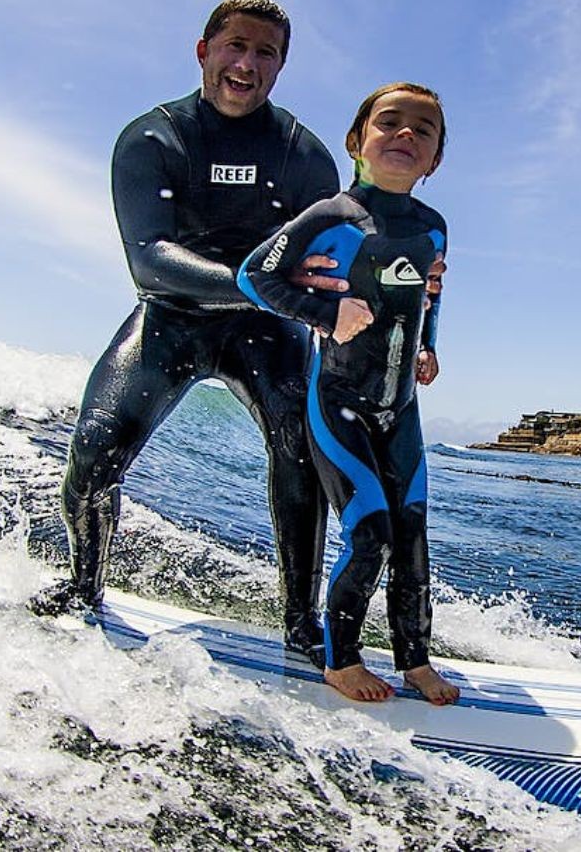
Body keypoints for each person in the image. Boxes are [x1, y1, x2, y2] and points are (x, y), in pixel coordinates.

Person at [31, 0, 346, 668]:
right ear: (204, 51)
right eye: (236, 45)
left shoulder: (304, 157)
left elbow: (327, 267)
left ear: (281, 68)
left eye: (267, 53)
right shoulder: (154, 138)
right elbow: (149, 260)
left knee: (300, 443)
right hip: (171, 318)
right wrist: (251, 280)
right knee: (91, 452)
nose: (247, 63)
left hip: (262, 330)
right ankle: (84, 587)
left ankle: (300, 623)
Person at [237, 83, 459, 705]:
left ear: (435, 160)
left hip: (401, 406)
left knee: (412, 536)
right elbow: (254, 275)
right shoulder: (331, 215)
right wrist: (324, 313)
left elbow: (428, 296)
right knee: (371, 533)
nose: (407, 133)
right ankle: (341, 660)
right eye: (390, 122)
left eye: (425, 129)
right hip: (337, 398)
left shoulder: (434, 230)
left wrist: (427, 345)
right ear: (357, 141)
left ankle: (415, 660)